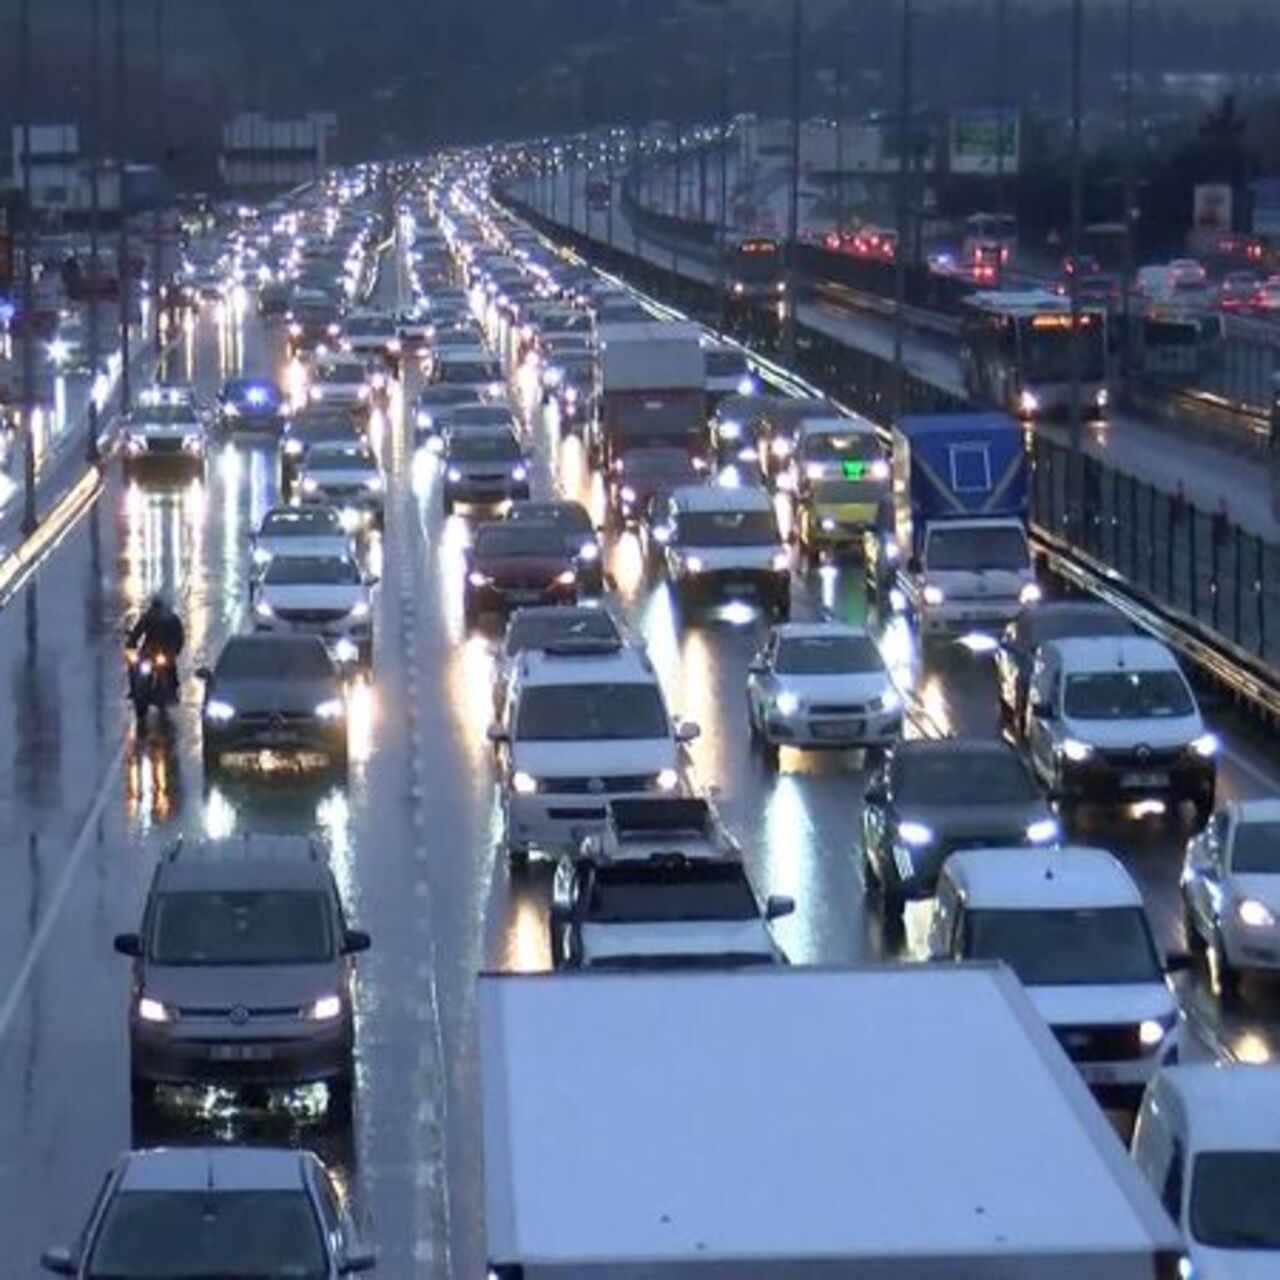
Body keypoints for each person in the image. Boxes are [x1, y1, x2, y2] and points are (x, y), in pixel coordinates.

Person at [127, 593, 186, 702]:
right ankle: (134, 689)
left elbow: (179, 635)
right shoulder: (148, 617)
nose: (157, 610)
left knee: (171, 669)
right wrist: (131, 642)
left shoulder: (172, 619)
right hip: (149, 650)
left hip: (166, 651)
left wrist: (176, 649)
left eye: (159, 606)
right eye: (156, 606)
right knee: (135, 667)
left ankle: (173, 691)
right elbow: (138, 630)